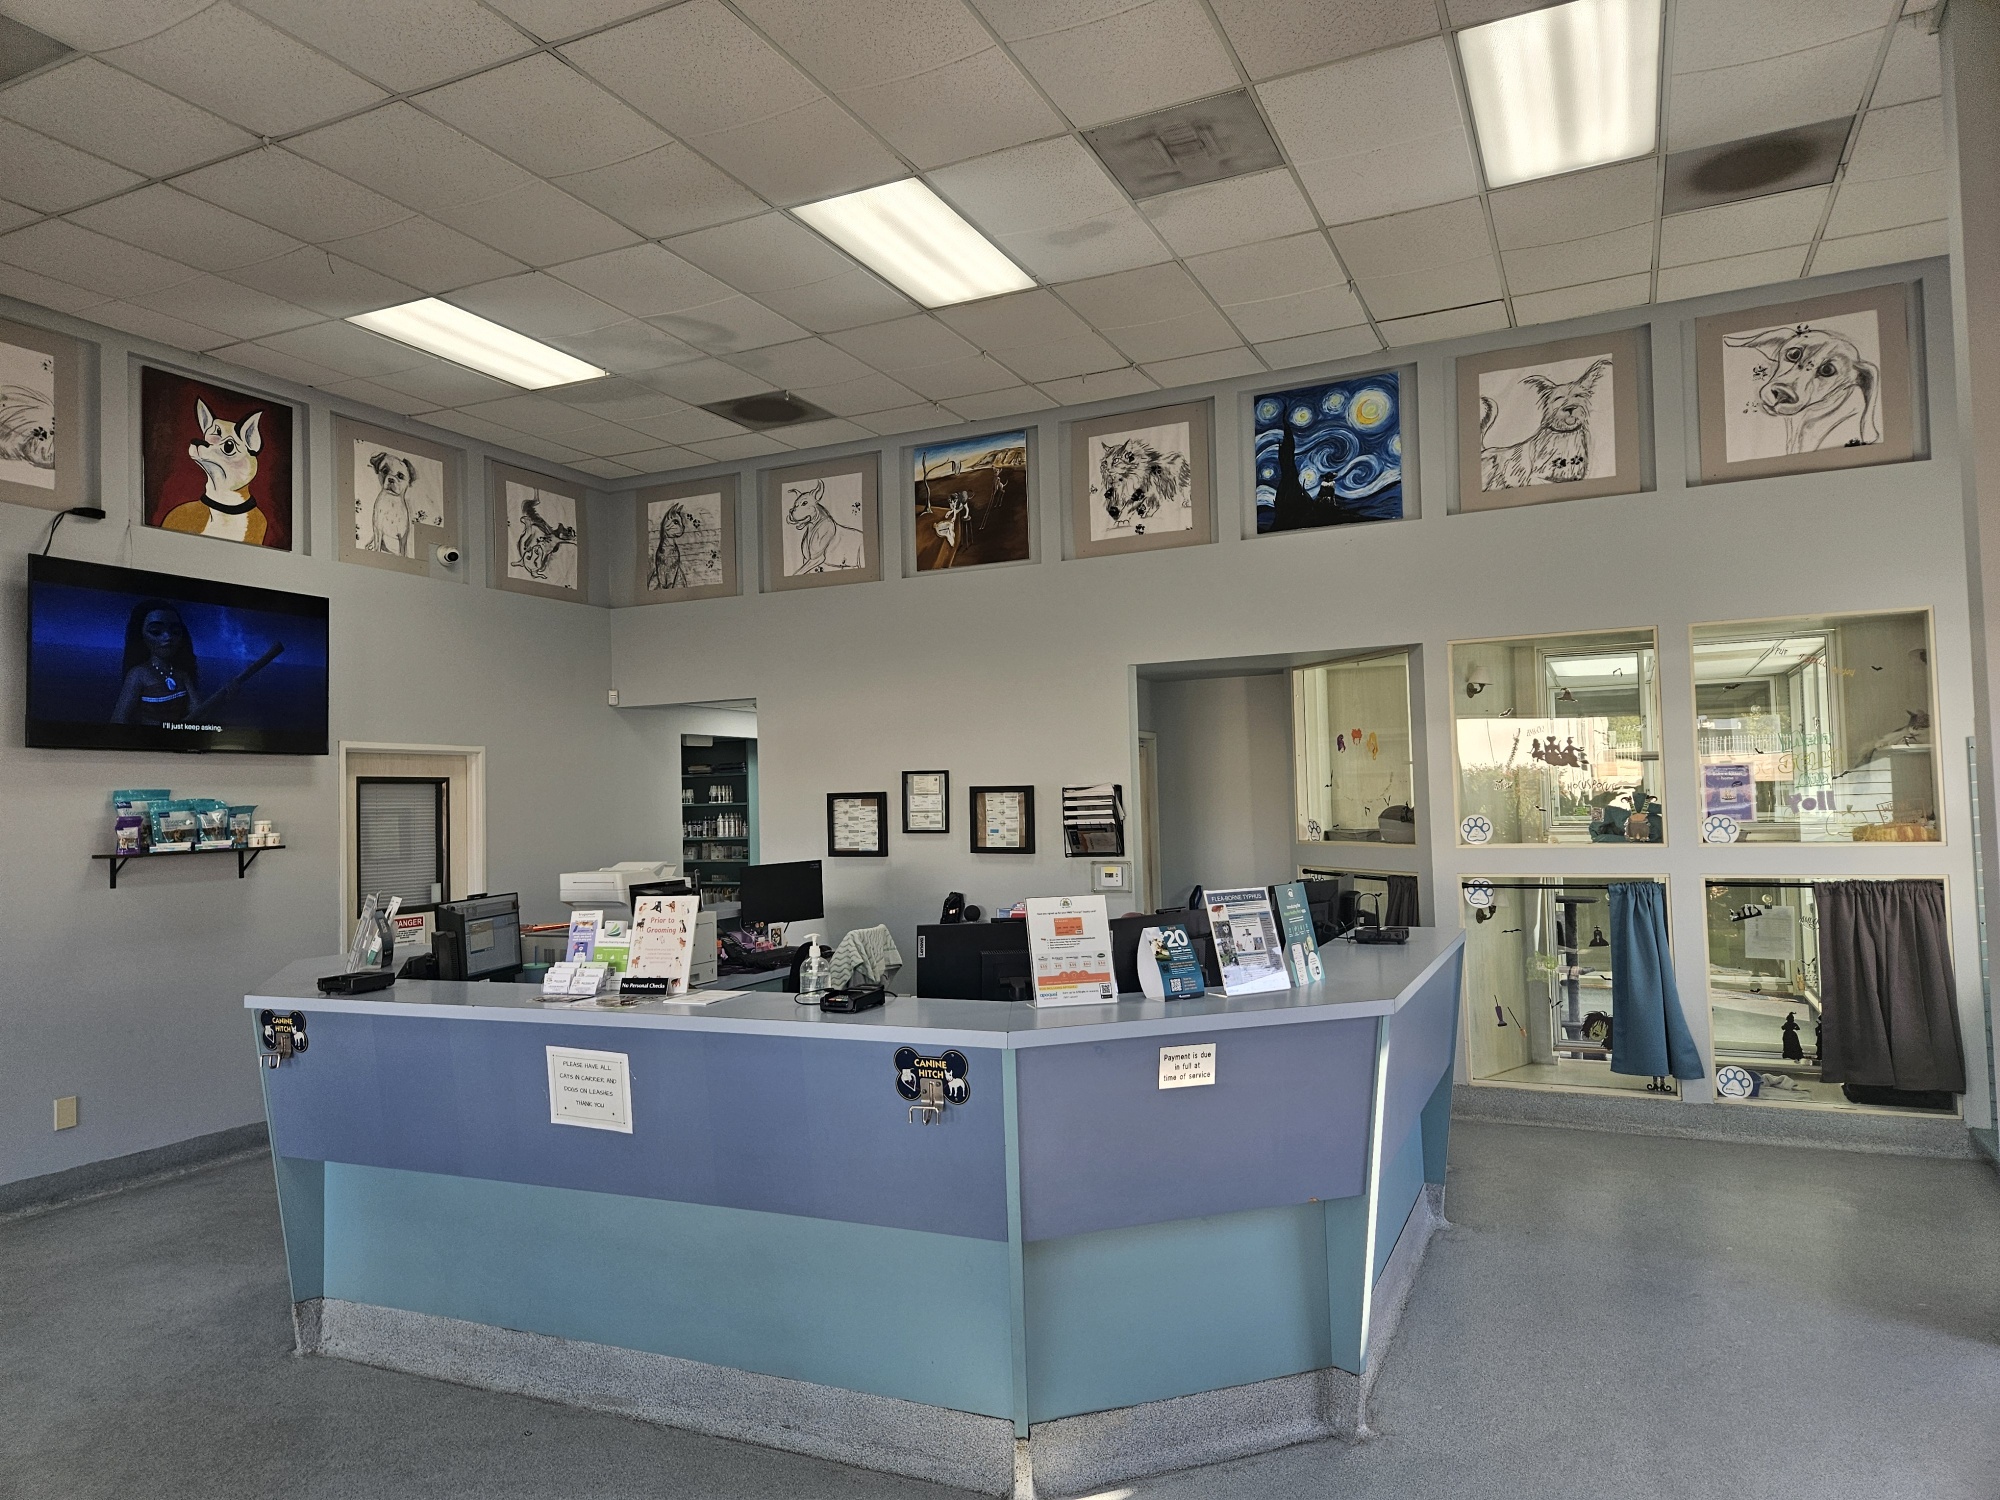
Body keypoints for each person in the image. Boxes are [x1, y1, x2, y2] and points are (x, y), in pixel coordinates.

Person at [112, 600, 198, 724]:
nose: (168, 637)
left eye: (175, 632)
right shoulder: (138, 674)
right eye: (156, 631)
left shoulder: (182, 674)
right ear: (141, 635)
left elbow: (199, 714)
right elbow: (118, 720)